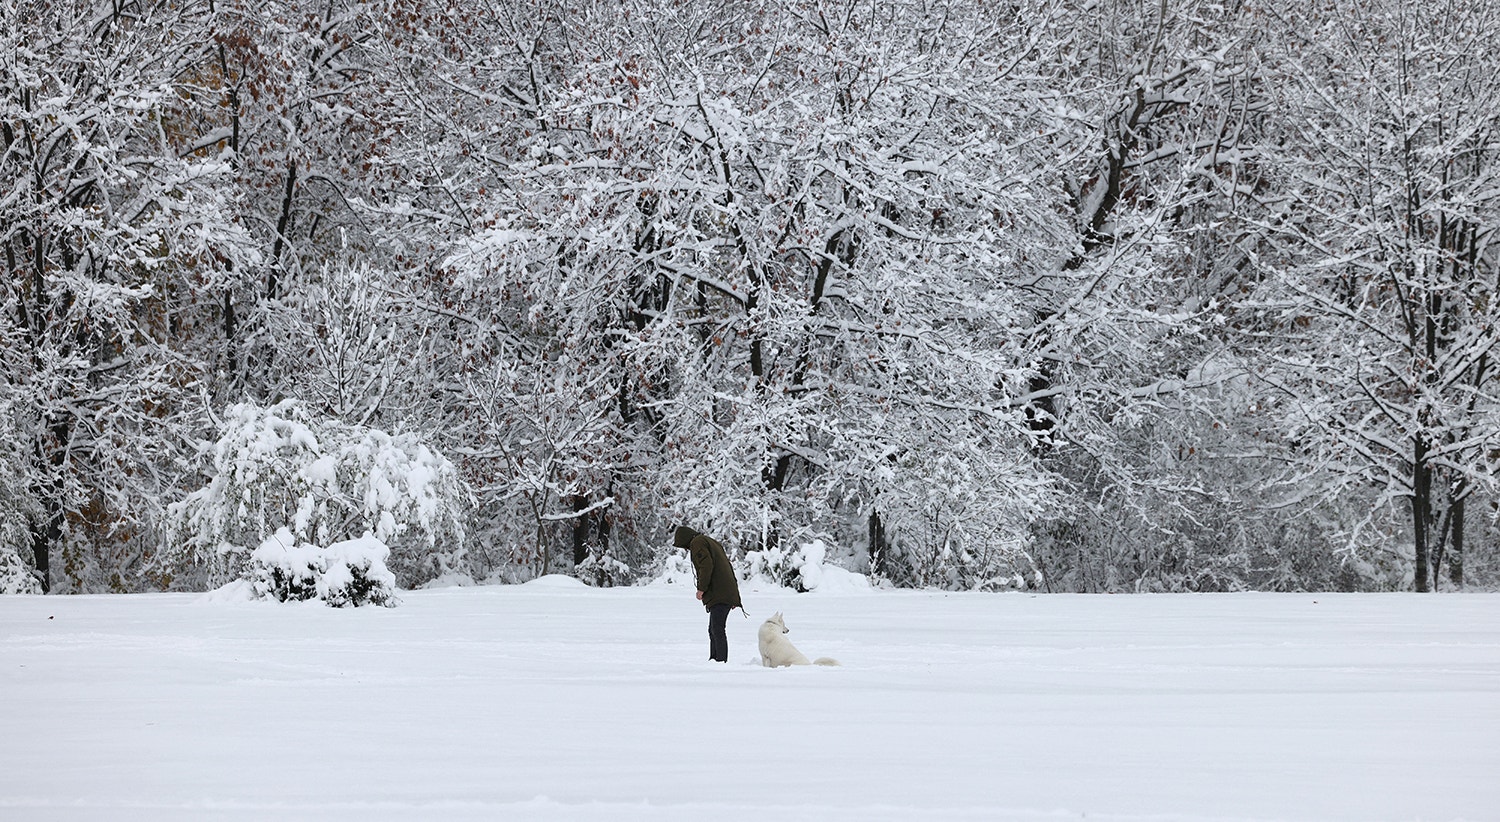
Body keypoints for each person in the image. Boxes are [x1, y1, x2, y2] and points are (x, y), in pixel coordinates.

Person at [674, 525, 742, 662]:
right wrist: (733, 596)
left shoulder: (697, 543)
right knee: (713, 629)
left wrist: (701, 588)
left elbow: (706, 566)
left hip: (720, 592)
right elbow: (726, 567)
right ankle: (714, 659)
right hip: (725, 591)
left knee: (717, 629)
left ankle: (720, 661)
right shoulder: (708, 541)